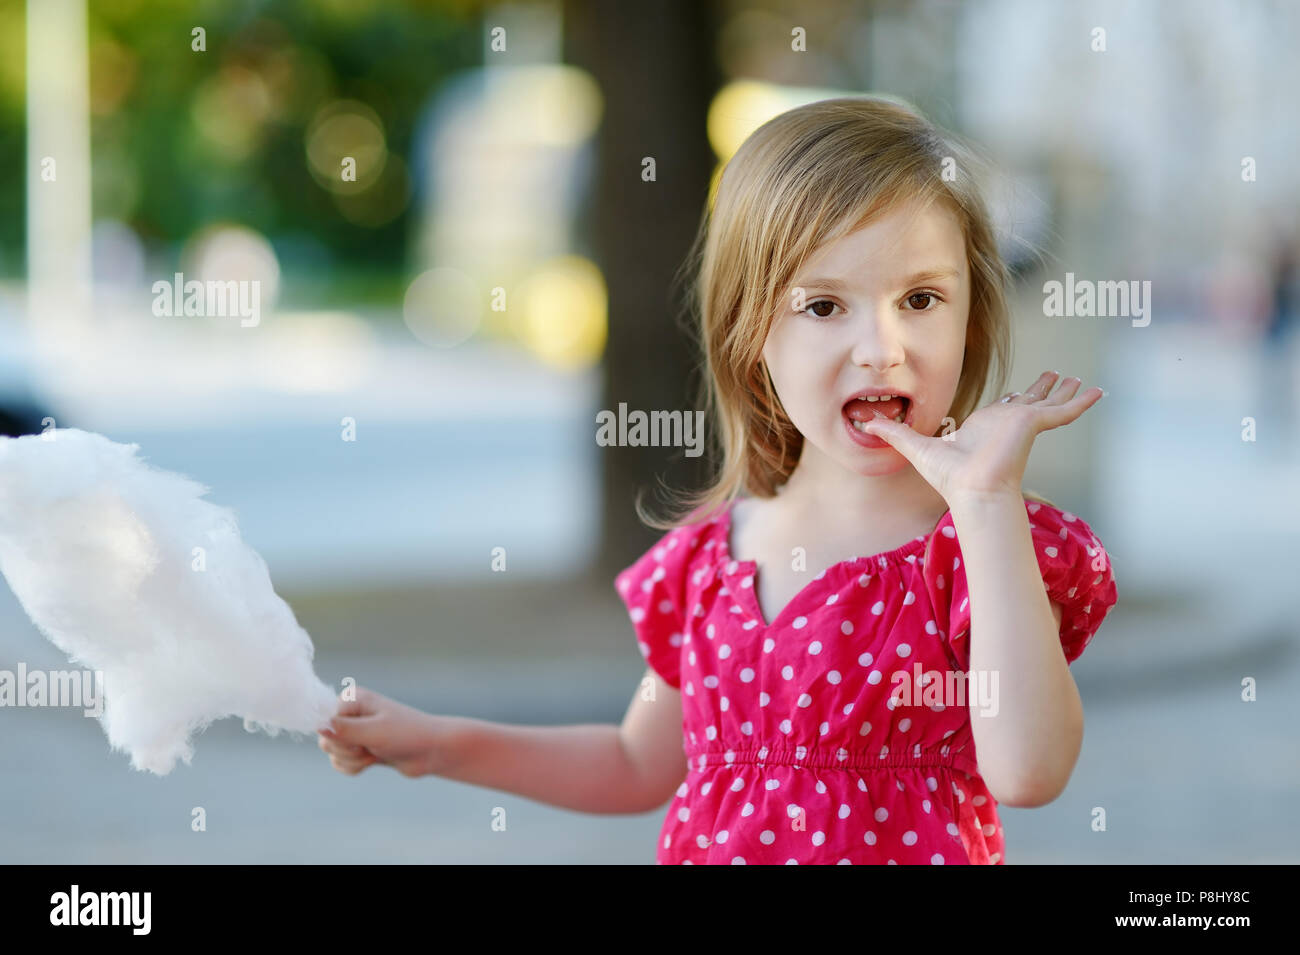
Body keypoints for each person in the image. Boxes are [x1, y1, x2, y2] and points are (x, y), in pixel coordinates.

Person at [318, 95, 1119, 865]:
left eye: (919, 298)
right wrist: (435, 744)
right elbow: (636, 764)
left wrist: (983, 503)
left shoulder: (985, 548)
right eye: (823, 305)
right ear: (750, 333)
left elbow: (1029, 771)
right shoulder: (707, 561)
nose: (881, 346)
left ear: (971, 317)